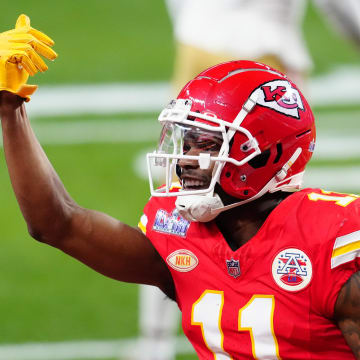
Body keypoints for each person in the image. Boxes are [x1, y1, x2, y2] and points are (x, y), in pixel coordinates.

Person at [1, 15, 360, 359]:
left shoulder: (332, 241)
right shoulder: (180, 234)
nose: (186, 159)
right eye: (185, 142)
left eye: (207, 145)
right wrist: (10, 112)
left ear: (266, 154)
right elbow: (56, 224)